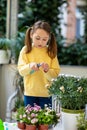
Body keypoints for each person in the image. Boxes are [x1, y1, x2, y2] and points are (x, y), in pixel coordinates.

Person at [17, 20, 60, 109]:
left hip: (46, 94)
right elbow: (21, 71)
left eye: (44, 39)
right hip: (30, 94)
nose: (41, 42)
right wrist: (29, 66)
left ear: (49, 38)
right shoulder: (25, 50)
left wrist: (47, 70)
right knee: (30, 122)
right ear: (31, 35)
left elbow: (55, 75)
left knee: (45, 122)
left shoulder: (50, 52)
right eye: (37, 38)